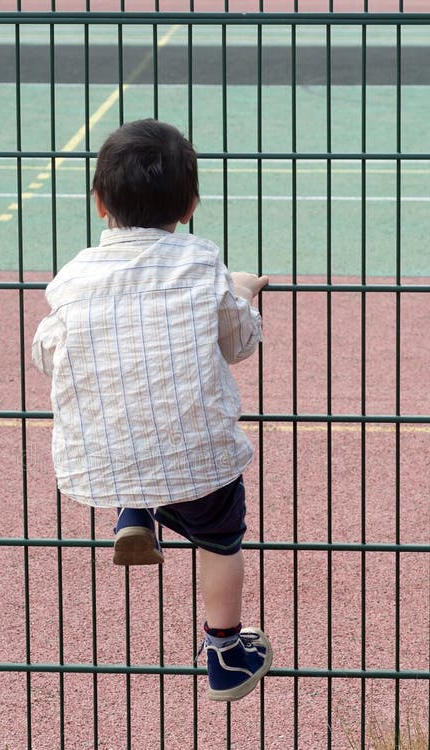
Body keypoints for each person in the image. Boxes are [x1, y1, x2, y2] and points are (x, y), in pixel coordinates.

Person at [32, 118, 272, 701]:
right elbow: (237, 344)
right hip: (197, 456)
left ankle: (133, 512)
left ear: (98, 204)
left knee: (124, 400)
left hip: (109, 453)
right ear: (190, 206)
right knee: (221, 539)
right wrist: (241, 290)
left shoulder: (76, 276)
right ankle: (226, 653)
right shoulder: (203, 266)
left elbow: (47, 353)